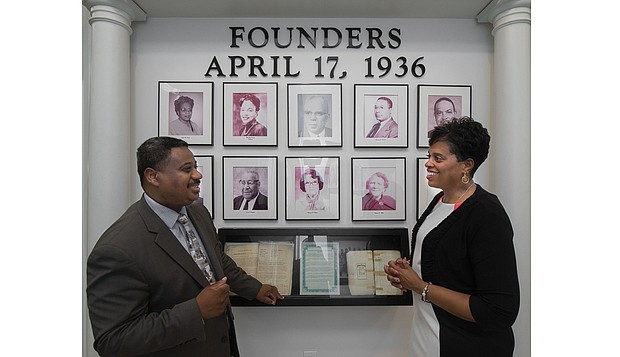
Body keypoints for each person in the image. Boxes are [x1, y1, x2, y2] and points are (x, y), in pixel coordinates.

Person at [86, 136, 283, 357]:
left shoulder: (196, 212)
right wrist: (196, 312)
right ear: (153, 176)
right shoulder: (117, 249)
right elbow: (113, 341)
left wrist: (254, 288)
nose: (197, 175)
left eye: (196, 167)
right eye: (186, 169)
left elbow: (216, 260)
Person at [384, 117, 520, 357]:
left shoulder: (487, 215)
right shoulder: (440, 200)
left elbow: (499, 311)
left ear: (466, 165)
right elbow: (442, 267)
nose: (428, 163)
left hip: (467, 347)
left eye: (438, 158)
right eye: (429, 156)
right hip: (427, 341)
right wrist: (407, 276)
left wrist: (420, 286)